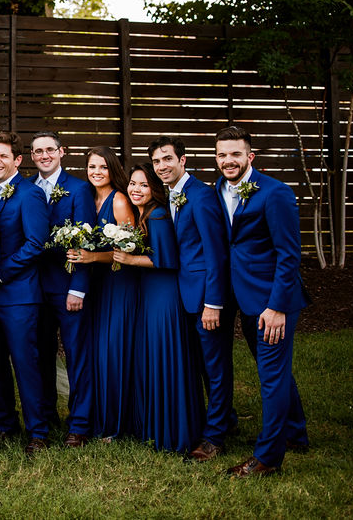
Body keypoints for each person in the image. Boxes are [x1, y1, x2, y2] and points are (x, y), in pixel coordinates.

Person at [214, 126, 308, 477]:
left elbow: (289, 254)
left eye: (236, 154)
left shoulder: (276, 192)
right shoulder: (217, 190)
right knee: (275, 370)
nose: (228, 160)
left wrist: (278, 306)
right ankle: (296, 435)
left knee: (270, 375)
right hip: (242, 297)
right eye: (222, 154)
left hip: (272, 301)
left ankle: (268, 458)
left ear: (250, 156)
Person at [148, 136, 236, 461]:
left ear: (183, 160)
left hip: (205, 300)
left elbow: (216, 254)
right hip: (185, 296)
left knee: (215, 367)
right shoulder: (170, 195)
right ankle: (226, 420)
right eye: (157, 161)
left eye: (168, 159)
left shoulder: (200, 196)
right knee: (201, 366)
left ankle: (213, 438)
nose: (162, 166)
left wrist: (213, 303)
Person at [114, 164, 204, 453]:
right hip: (149, 293)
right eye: (132, 184)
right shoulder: (141, 215)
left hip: (164, 296)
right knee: (150, 358)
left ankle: (173, 432)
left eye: (143, 185)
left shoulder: (160, 215)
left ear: (154, 189)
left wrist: (129, 260)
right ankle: (152, 426)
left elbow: (166, 260)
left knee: (166, 358)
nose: (135, 189)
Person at [0, 132, 51, 453]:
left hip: (18, 295)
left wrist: (0, 274)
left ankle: (39, 432)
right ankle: (6, 424)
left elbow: (35, 244)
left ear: (18, 160)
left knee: (25, 363)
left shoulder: (29, 194)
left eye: (3, 156)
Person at [29, 131, 97, 447]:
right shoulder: (24, 187)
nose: (43, 155)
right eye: (37, 151)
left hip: (68, 286)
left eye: (49, 150)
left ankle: (80, 424)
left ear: (61, 152)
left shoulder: (79, 189)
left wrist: (79, 288)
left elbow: (86, 239)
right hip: (33, 288)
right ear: (31, 156)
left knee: (76, 354)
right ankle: (45, 416)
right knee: (39, 355)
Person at [67, 147, 139, 441]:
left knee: (113, 351)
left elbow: (131, 250)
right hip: (94, 285)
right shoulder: (88, 197)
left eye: (103, 167)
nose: (96, 172)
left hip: (117, 284)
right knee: (96, 353)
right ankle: (98, 416)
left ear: (113, 170)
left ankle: (116, 423)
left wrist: (91, 258)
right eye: (91, 166)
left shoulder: (119, 200)